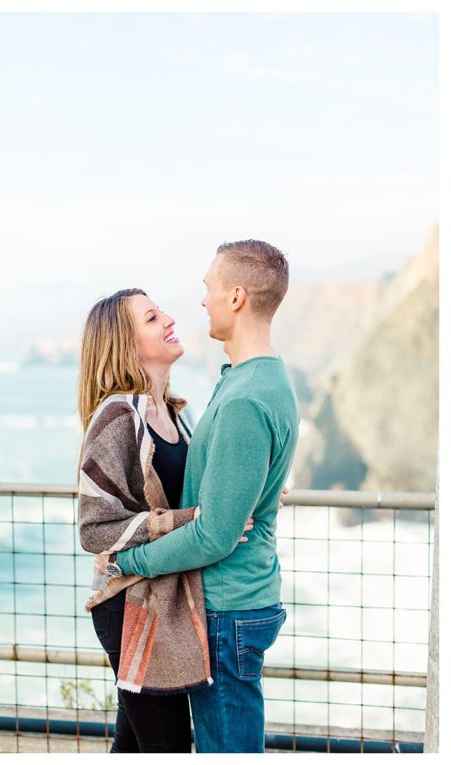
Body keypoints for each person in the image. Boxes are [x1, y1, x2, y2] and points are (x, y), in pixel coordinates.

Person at [107, 240, 299, 753]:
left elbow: (215, 534)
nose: (202, 301)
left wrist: (131, 560)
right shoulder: (257, 380)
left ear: (236, 297)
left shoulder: (244, 398)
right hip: (236, 602)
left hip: (225, 608)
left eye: (209, 288)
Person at [77, 288, 256, 753]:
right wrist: (193, 520)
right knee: (167, 750)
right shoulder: (119, 416)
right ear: (124, 343)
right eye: (153, 318)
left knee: (134, 748)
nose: (171, 320)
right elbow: (94, 529)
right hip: (134, 609)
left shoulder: (177, 415)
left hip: (164, 602)